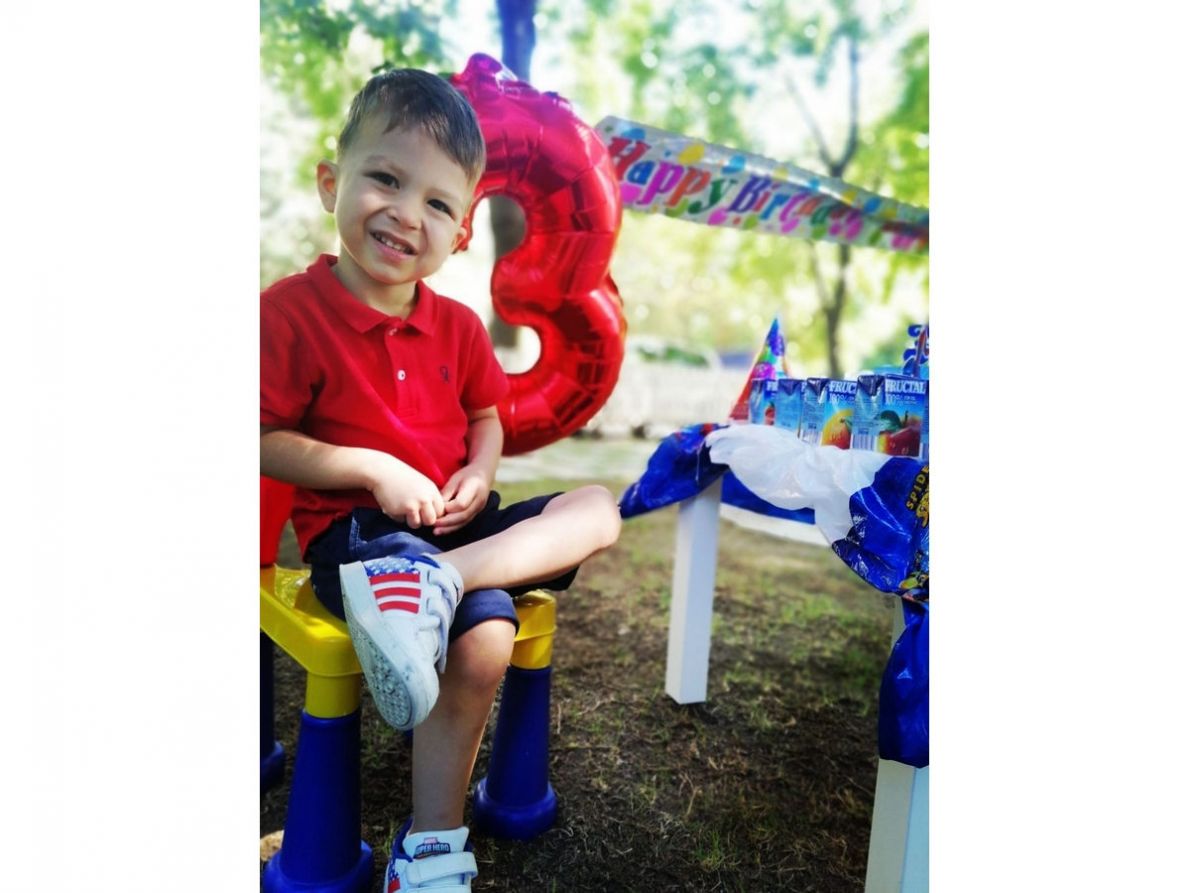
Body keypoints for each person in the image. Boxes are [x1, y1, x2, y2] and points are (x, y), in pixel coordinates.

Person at [260, 68, 622, 891]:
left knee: (598, 507)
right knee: (488, 637)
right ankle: (430, 843)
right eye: (386, 178)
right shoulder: (289, 313)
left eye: (436, 202)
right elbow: (259, 438)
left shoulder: (457, 327)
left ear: (460, 234)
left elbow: (487, 417)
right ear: (332, 183)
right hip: (360, 541)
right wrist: (372, 467)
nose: (405, 213)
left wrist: (478, 471)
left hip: (453, 539)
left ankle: (440, 581)